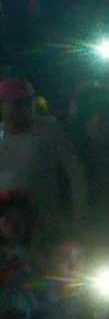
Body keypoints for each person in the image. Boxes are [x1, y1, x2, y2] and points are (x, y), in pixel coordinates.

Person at [0, 79, 86, 230]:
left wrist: (80, 213)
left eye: (26, 102)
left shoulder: (50, 129)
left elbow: (75, 172)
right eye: (15, 103)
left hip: (44, 223)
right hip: (6, 228)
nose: (21, 108)